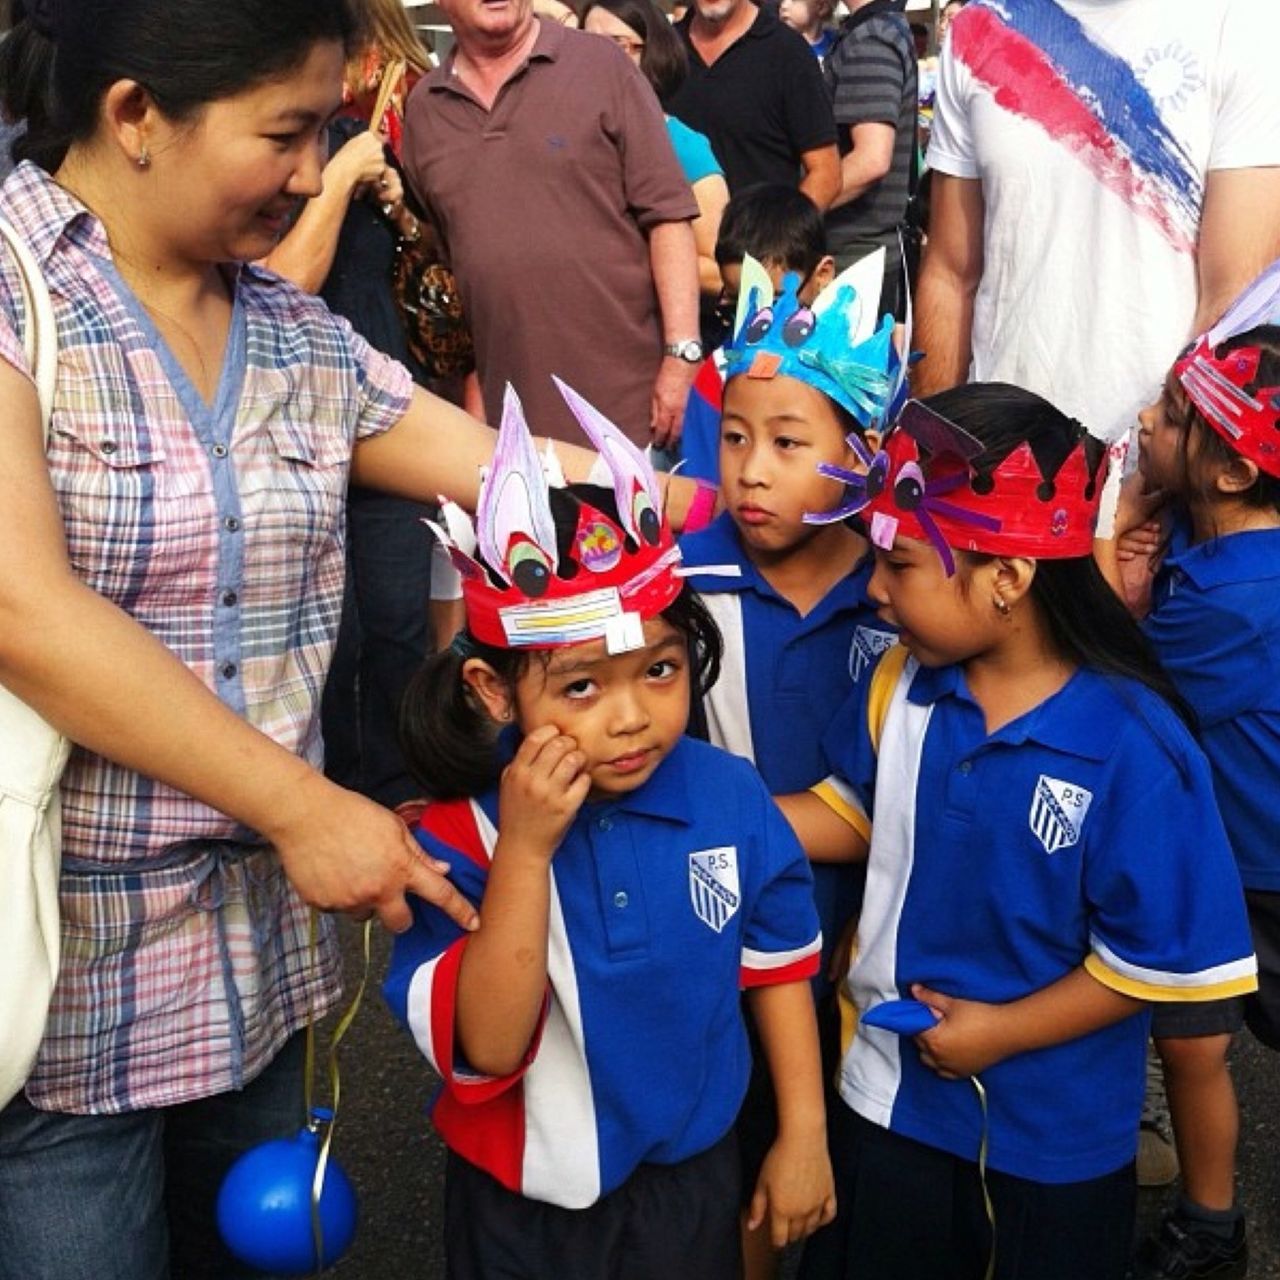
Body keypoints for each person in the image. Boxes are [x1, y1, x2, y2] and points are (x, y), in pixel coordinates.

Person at [0, 2, 702, 1274]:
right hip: (57, 988)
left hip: (253, 975)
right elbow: (22, 609)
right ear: (135, 115)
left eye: (324, 130)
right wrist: (303, 806)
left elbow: (518, 476)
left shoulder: (292, 333)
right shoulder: (11, 295)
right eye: (285, 132)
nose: (313, 171)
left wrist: (740, 503)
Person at [789, 386, 1257, 1280]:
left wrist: (1000, 1033)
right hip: (882, 1097)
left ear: (1007, 577)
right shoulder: (902, 685)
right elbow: (856, 811)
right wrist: (716, 817)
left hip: (1053, 1144)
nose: (873, 589)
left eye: (902, 566)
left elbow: (1156, 963)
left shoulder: (1136, 748)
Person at [384, 380, 836, 1279]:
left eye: (660, 670)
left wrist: (804, 1134)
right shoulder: (454, 839)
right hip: (521, 1206)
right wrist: (524, 849)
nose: (631, 719)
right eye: (582, 686)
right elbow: (492, 1046)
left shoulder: (729, 795)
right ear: (493, 690)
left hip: (691, 1184)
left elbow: (776, 965)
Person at [680, 250, 900, 1280]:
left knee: (826, 1169)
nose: (749, 469)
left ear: (861, 455)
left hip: (851, 945)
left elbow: (869, 815)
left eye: (783, 441)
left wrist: (713, 817)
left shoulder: (898, 600)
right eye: (731, 438)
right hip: (711, 941)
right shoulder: (680, 584)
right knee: (723, 1158)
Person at [1098, 267, 1280, 1280]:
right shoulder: (1218, 563)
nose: (1142, 419)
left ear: (1223, 471)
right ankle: (1208, 1223)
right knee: (1192, 1038)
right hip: (1231, 865)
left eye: (1167, 418)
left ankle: (1211, 1222)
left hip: (1262, 875)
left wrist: (1114, 508)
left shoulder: (1235, 598)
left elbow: (1103, 657)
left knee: (1196, 1042)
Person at [913, 0, 1280, 456]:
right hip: (998, 469)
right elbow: (950, 273)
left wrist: (1145, 485)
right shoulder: (978, 24)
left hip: (1153, 477)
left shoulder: (1243, 21)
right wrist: (928, 456)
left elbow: (1231, 308)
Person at [264, 0, 451, 814]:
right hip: (293, 417)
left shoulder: (378, 138)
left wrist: (393, 195)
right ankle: (331, 791)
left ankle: (402, 786)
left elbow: (425, 260)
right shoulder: (302, 166)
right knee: (327, 638)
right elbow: (281, 285)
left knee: (400, 622)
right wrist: (339, 182)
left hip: (384, 405)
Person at [401, 0, 703, 451]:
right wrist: (474, 388)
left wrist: (681, 356)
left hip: (630, 411)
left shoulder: (603, 65)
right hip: (511, 427)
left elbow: (669, 218)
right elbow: (457, 264)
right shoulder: (425, 110)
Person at [678, 183, 836, 483]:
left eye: (774, 300)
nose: (755, 320)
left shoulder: (856, 369)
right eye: (738, 303)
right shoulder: (718, 375)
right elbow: (702, 491)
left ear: (823, 276)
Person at [580, 0, 730, 300]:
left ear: (651, 54)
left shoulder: (683, 146)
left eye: (614, 45)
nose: (591, 58)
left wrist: (619, 262)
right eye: (583, 44)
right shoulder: (564, 138)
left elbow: (717, 270)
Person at [666, 0, 840, 210]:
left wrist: (779, 236)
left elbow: (826, 173)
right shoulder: (663, 50)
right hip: (678, 237)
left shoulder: (787, 52)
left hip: (760, 238)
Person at [822, 0, 918, 315]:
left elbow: (871, 159)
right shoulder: (877, 29)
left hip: (855, 259)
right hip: (862, 256)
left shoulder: (873, 37)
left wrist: (796, 210)